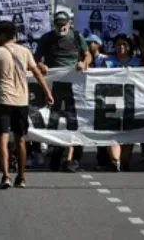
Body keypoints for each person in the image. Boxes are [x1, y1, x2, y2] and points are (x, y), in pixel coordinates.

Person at [0, 21, 54, 189]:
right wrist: (47, 93)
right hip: (21, 100)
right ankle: (22, 177)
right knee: (20, 140)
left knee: (2, 139)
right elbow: (37, 72)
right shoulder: (25, 51)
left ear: (3, 35)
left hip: (2, 100)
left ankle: (5, 176)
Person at [35, 11, 90, 172]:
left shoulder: (77, 36)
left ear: (69, 23)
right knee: (55, 120)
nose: (61, 27)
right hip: (54, 85)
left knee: (75, 119)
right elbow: (35, 59)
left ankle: (72, 159)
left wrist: (83, 63)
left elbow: (88, 55)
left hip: (75, 86)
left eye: (63, 24)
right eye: (58, 25)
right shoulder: (46, 38)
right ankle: (55, 154)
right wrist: (41, 65)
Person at [102, 34, 141, 171]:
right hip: (112, 102)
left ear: (129, 46)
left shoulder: (137, 61)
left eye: (124, 44)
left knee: (128, 133)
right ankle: (114, 161)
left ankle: (123, 160)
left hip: (131, 102)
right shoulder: (108, 62)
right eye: (118, 44)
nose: (121, 47)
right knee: (112, 132)